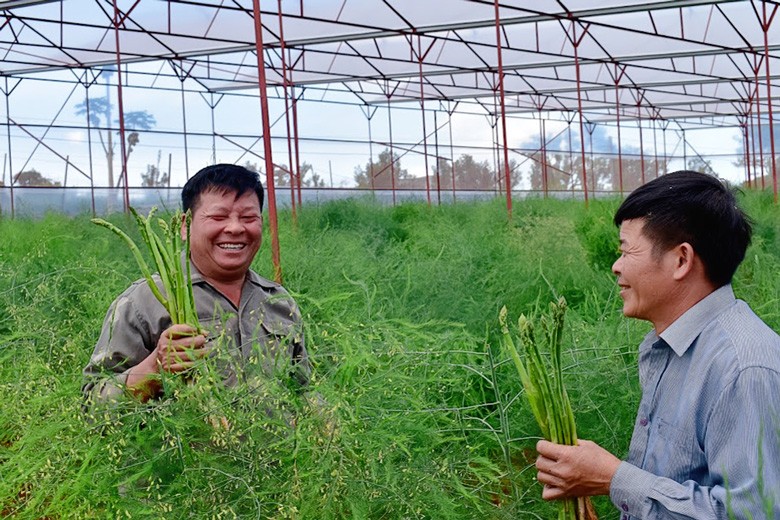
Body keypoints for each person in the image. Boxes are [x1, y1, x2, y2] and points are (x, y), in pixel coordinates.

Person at [535, 170, 780, 519]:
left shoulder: (744, 370)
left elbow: (754, 513)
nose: (616, 267)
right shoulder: (665, 347)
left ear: (681, 260)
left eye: (626, 250)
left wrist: (612, 478)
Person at [83, 163, 310, 405]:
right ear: (184, 226)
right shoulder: (143, 302)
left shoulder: (278, 300)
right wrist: (154, 369)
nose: (235, 228)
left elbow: (303, 389)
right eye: (218, 217)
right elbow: (91, 408)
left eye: (248, 218)